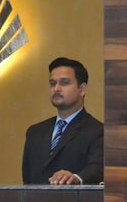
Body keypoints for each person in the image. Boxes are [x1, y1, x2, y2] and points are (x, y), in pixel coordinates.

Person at [21, 56, 104, 185]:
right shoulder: (35, 132)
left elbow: (97, 169)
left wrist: (76, 178)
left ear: (82, 89)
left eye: (64, 83)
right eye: (52, 83)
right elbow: (27, 180)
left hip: (75, 197)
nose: (56, 89)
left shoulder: (98, 131)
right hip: (37, 198)